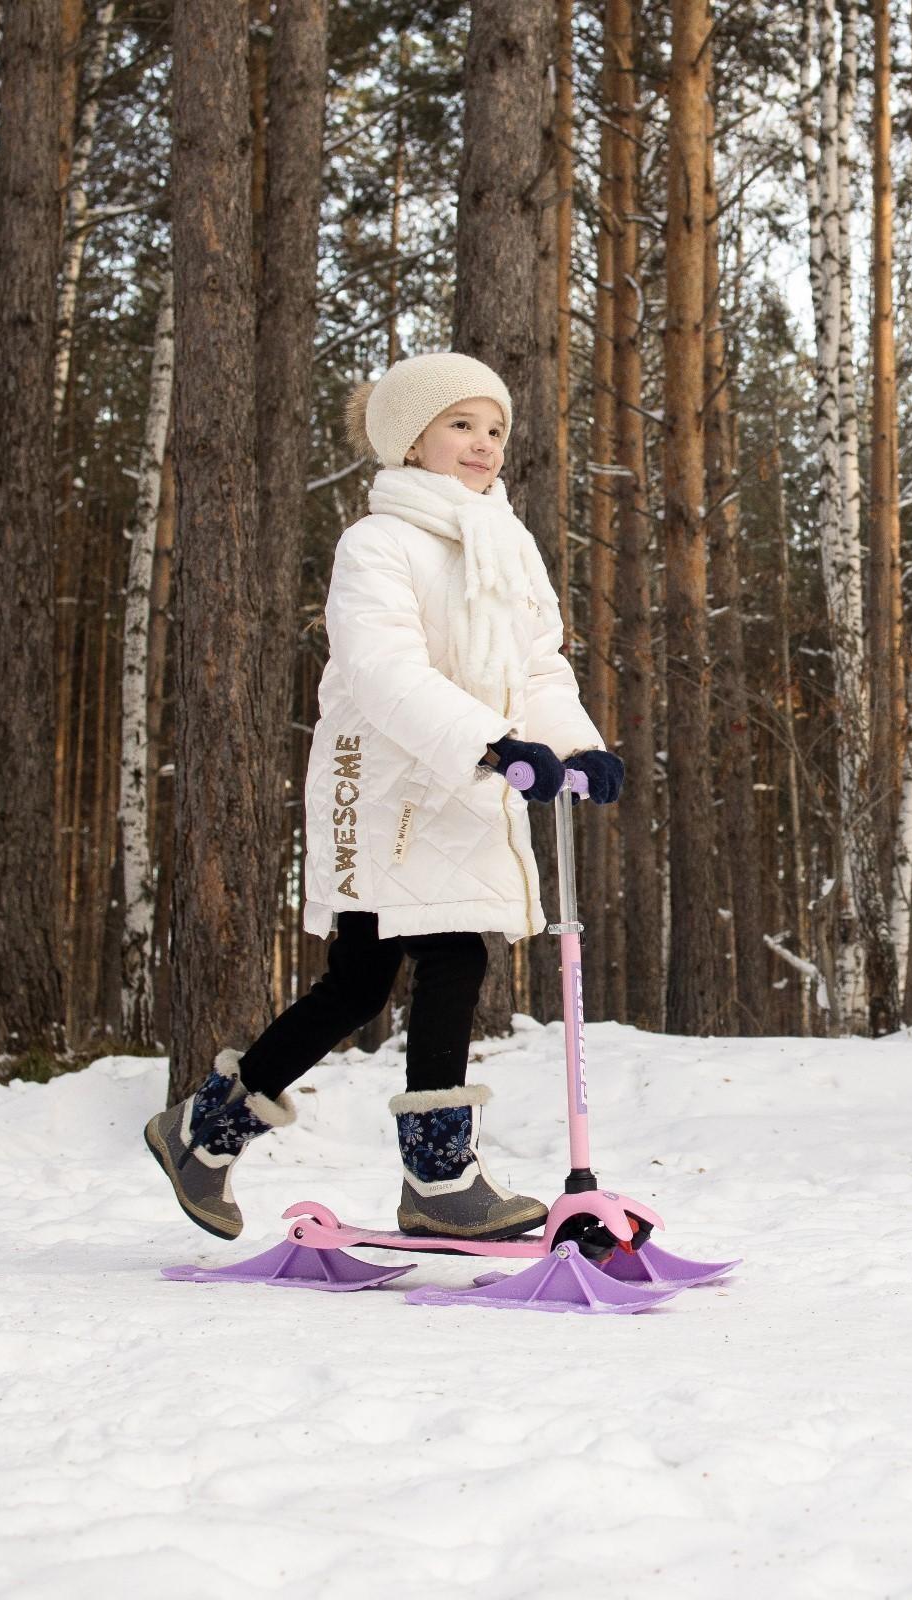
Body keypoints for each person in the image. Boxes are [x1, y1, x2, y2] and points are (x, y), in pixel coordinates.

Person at [145, 351, 625, 1245]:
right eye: (461, 425)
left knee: (383, 977)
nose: (482, 445)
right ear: (411, 438)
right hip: (386, 788)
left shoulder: (506, 542)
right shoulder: (376, 544)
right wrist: (488, 743)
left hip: (471, 780)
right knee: (413, 964)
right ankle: (434, 1177)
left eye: (494, 429)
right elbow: (381, 670)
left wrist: (576, 745)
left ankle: (207, 1133)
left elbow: (536, 666)